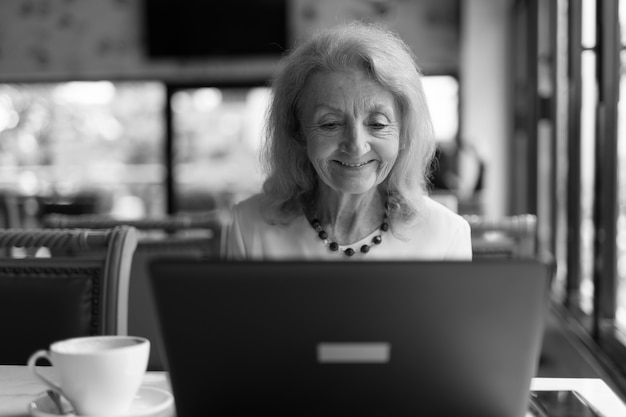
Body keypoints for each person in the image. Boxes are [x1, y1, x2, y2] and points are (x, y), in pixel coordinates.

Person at [224, 21, 472, 260]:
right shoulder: (248, 226)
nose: (355, 146)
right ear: (296, 131)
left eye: (377, 124)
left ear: (403, 133)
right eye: (330, 124)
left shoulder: (447, 236)